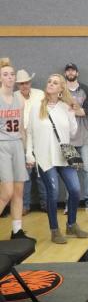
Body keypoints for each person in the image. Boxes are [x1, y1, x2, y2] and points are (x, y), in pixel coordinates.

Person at [26, 74, 88, 244]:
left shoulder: (65, 107)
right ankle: (55, 231)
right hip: (45, 158)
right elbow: (30, 132)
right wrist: (29, 154)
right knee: (52, 194)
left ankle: (71, 225)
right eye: (49, 82)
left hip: (65, 156)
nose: (51, 84)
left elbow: (73, 132)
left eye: (55, 83)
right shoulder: (35, 107)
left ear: (61, 88)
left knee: (75, 190)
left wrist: (73, 111)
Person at [0, 58, 35, 241]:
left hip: (17, 145)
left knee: (19, 191)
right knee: (6, 192)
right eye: (5, 74)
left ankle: (17, 231)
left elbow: (22, 128)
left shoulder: (19, 99)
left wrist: (27, 152)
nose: (10, 77)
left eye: (12, 74)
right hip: (2, 145)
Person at [63, 63, 88, 213]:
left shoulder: (85, 89)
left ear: (77, 73)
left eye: (73, 70)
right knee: (70, 171)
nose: (70, 72)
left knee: (87, 169)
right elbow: (60, 112)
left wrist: (73, 110)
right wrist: (77, 109)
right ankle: (69, 204)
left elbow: (87, 111)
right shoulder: (61, 90)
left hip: (83, 136)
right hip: (67, 138)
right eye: (68, 70)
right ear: (65, 73)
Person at [14, 69, 47, 215]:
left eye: (26, 82)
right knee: (25, 175)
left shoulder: (40, 94)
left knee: (41, 173)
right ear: (17, 85)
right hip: (21, 138)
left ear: (30, 82)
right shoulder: (13, 97)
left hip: (39, 136)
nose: (24, 85)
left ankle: (46, 204)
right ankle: (25, 205)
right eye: (21, 84)